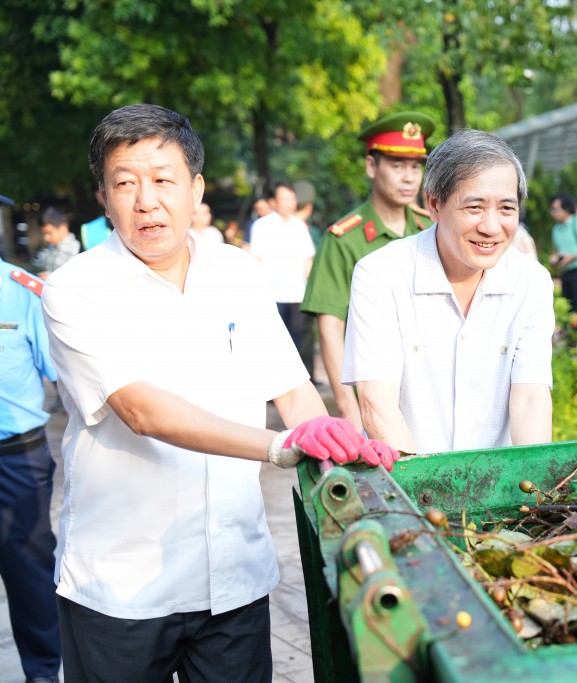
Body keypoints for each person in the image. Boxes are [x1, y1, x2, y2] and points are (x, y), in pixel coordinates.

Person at [40, 103, 395, 682]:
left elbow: (292, 388)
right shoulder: (75, 290)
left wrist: (340, 444)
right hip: (123, 584)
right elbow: (141, 410)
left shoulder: (237, 273)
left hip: (232, 576)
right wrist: (280, 447)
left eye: (163, 181)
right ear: (103, 198)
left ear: (196, 187)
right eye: (124, 184)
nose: (145, 201)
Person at [343, 129, 555, 455]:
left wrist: (538, 492)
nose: (491, 226)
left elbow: (530, 398)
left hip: (499, 485)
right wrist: (422, 494)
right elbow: (378, 406)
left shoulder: (532, 281)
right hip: (405, 484)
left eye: (506, 209)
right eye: (474, 207)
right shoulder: (380, 274)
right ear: (434, 204)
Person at [302, 111, 435, 432]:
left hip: (430, 394)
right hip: (373, 399)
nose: (408, 177)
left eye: (416, 167)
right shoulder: (344, 239)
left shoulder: (430, 229)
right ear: (371, 167)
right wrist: (348, 407)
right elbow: (331, 326)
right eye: (397, 165)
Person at [0, 259, 61, 683]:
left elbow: (64, 375)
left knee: (29, 572)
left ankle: (42, 673)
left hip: (15, 456)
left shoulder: (22, 290)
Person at [248, 181, 317, 354]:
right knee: (274, 343)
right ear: (274, 202)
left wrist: (312, 290)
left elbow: (307, 260)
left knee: (296, 341)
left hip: (297, 294)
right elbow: (256, 260)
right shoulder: (262, 226)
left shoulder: (300, 226)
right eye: (284, 198)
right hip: (272, 295)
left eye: (292, 198)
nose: (289, 202)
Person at [31, 207, 82, 279]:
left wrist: (53, 278)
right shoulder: (50, 247)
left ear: (63, 227)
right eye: (43, 234)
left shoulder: (78, 249)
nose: (46, 238)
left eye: (49, 233)